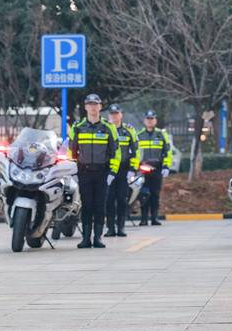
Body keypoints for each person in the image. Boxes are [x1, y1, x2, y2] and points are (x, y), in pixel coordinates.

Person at [69, 94, 121, 249]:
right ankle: (86, 238)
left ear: (100, 107)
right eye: (90, 104)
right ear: (85, 107)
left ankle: (97, 238)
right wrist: (73, 171)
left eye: (95, 104)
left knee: (100, 206)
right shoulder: (77, 127)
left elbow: (116, 152)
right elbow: (71, 151)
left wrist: (112, 173)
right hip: (84, 173)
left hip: (102, 173)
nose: (92, 107)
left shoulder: (108, 127)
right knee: (86, 205)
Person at [105, 104, 138, 237]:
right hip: (108, 171)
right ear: (109, 115)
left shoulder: (129, 130)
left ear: (121, 115)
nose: (114, 116)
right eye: (112, 114)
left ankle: (121, 227)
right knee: (109, 200)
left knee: (122, 200)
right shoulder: (105, 129)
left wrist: (132, 169)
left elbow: (135, 151)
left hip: (123, 171)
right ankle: (110, 228)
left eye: (116, 113)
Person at [137, 110, 172, 226]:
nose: (150, 121)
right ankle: (143, 219)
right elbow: (136, 153)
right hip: (143, 169)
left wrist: (166, 166)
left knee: (155, 194)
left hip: (157, 169)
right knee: (143, 194)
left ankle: (154, 218)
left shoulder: (161, 135)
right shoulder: (139, 135)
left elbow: (167, 152)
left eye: (152, 119)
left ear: (155, 120)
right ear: (144, 121)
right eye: (148, 119)